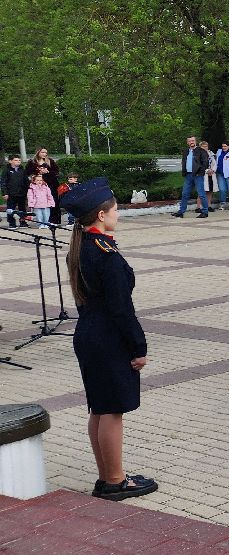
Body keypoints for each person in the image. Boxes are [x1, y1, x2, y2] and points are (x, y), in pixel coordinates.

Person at [58, 178, 158, 502]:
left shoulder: (83, 246)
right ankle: (115, 481)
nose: (118, 212)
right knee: (112, 410)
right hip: (108, 339)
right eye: (115, 208)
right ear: (101, 215)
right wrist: (138, 345)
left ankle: (105, 478)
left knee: (99, 409)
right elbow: (121, 309)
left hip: (88, 336)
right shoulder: (107, 255)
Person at [173, 136, 211, 219]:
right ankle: (181, 212)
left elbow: (205, 163)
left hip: (198, 175)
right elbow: (184, 162)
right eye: (189, 141)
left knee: (201, 194)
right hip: (188, 175)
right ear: (187, 143)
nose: (191, 142)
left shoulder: (201, 151)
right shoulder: (186, 151)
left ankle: (205, 211)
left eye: (193, 140)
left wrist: (200, 172)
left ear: (196, 141)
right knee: (185, 194)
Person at [215, 142, 229, 210]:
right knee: (222, 189)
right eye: (223, 146)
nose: (223, 147)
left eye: (225, 146)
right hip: (220, 174)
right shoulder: (219, 152)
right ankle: (222, 203)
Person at [5, 155, 26, 227]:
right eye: (16, 160)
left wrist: (27, 190)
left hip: (22, 193)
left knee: (22, 208)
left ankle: (23, 222)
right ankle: (12, 223)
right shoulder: (7, 170)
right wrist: (5, 193)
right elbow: (3, 182)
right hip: (11, 194)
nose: (18, 162)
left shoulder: (22, 170)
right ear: (10, 161)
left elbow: (26, 181)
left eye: (19, 160)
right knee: (11, 209)